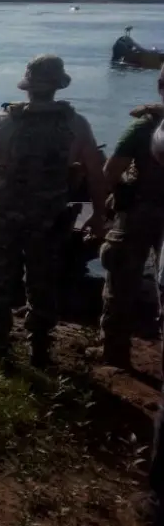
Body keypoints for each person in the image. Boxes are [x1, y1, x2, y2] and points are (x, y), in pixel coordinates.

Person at [0, 54, 108, 368]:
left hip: (4, 215)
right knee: (43, 279)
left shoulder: (2, 121)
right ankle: (39, 346)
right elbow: (96, 173)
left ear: (27, 87)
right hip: (49, 217)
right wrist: (98, 214)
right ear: (58, 86)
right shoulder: (76, 124)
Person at [99, 65, 164, 370]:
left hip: (138, 213)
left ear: (160, 85)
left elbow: (110, 172)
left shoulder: (142, 127)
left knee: (121, 284)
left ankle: (115, 356)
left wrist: (123, 188)